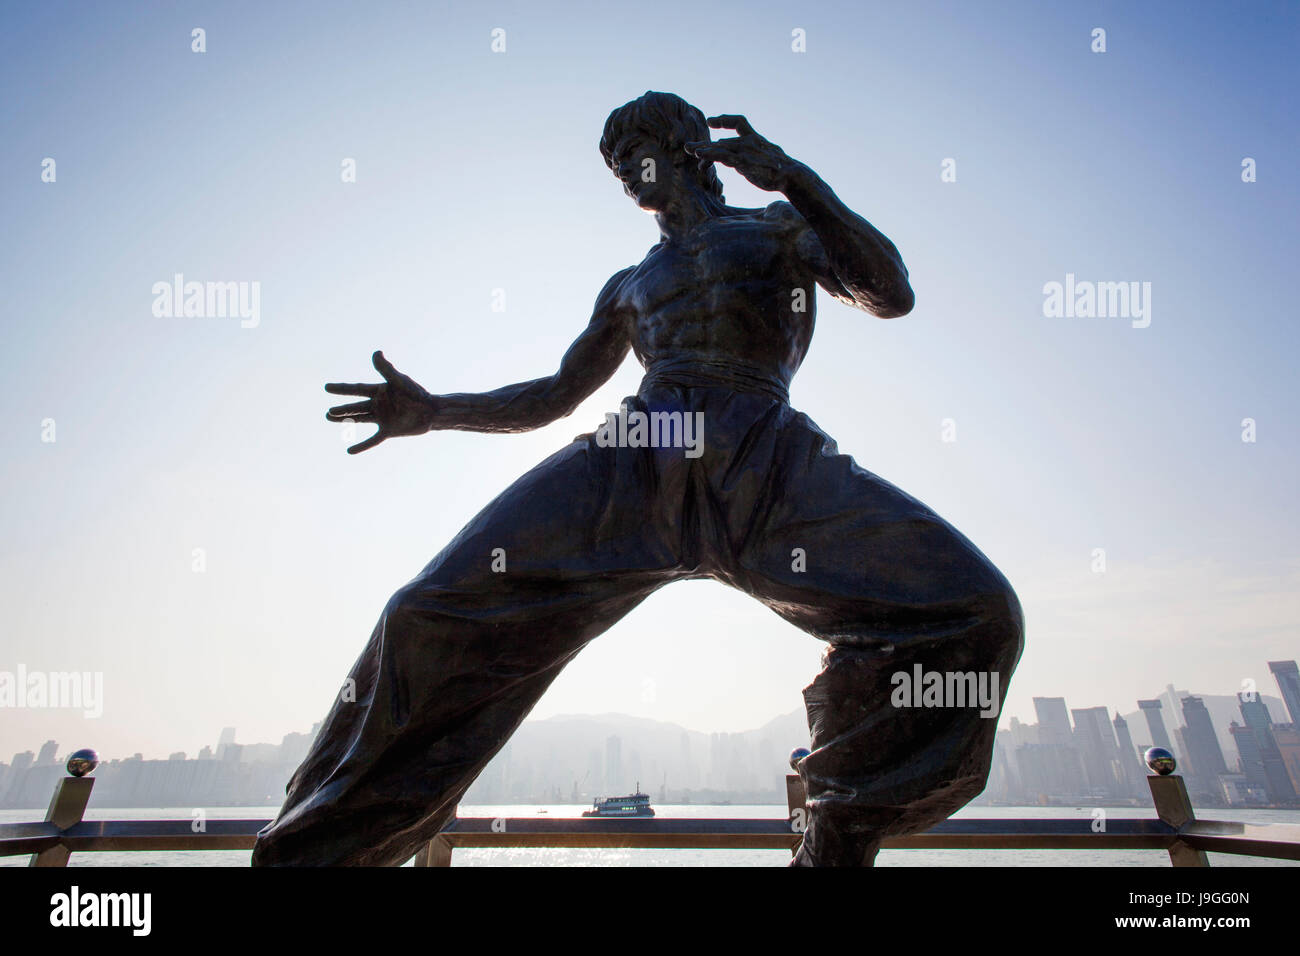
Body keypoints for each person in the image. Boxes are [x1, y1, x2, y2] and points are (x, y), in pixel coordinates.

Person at [251, 91, 1023, 867]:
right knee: (426, 611)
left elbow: (891, 293)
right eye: (613, 163)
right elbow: (552, 396)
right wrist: (435, 410)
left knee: (977, 612)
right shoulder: (630, 285)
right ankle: (314, 853)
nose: (622, 172)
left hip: (765, 462)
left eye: (633, 152)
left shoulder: (780, 231)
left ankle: (841, 827)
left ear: (685, 147)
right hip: (639, 458)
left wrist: (798, 181)